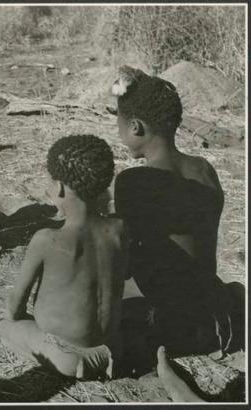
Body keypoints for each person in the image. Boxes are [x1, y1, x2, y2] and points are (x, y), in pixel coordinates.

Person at [111, 66, 240, 358]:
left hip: (169, 316)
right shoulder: (204, 169)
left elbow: (127, 259)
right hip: (207, 306)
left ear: (135, 127)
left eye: (118, 124)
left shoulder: (133, 182)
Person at [0, 135, 128, 380]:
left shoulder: (47, 240)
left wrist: (7, 316)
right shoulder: (119, 230)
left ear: (60, 188)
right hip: (112, 347)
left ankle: (70, 361)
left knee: (2, 322)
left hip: (67, 355)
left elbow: (15, 307)